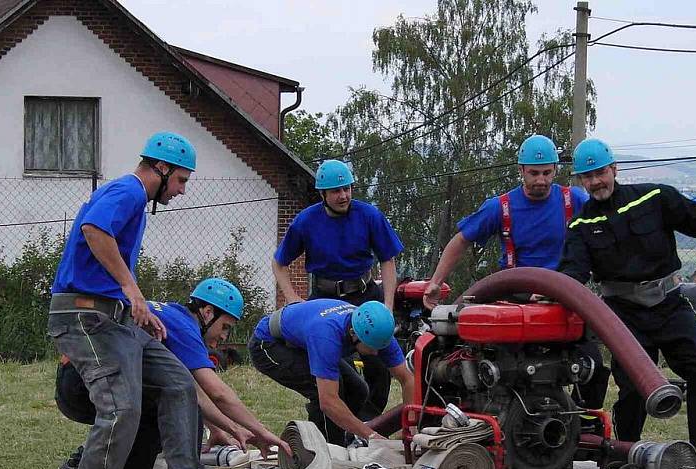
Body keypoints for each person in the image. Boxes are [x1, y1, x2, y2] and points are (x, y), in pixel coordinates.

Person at [47, 133, 243, 469]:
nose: (182, 190)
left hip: (115, 318)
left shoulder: (132, 198)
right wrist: (132, 292)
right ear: (162, 169)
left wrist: (136, 309)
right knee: (122, 407)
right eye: (181, 180)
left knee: (177, 384)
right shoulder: (130, 190)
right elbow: (94, 231)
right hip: (83, 316)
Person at [559, 137, 696, 469]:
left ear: (614, 169)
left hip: (670, 304)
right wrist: (553, 290)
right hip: (622, 313)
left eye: (600, 172)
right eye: (587, 176)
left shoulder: (653, 197)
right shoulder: (580, 227)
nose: (595, 182)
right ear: (579, 181)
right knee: (632, 386)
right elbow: (572, 272)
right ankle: (629, 458)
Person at [55, 278, 291, 469]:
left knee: (172, 402)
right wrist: (259, 432)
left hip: (77, 378)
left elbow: (189, 391)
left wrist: (219, 428)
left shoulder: (172, 315)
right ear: (207, 312)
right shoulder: (184, 328)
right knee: (169, 410)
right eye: (225, 327)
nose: (224, 337)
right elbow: (217, 393)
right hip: (84, 383)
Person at [423, 134, 610, 409]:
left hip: (564, 299)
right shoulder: (500, 207)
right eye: (534, 173)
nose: (541, 180)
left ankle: (586, 426)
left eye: (547, 172)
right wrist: (436, 282)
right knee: (503, 369)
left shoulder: (575, 200)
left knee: (592, 367)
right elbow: (461, 240)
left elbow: (606, 228)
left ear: (556, 170)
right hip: (515, 300)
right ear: (521, 170)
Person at [271, 159, 404, 420]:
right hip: (324, 300)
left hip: (366, 297)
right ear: (323, 194)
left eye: (347, 188)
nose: (343, 196)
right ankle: (327, 422)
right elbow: (279, 263)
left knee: (378, 367)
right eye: (335, 191)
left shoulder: (369, 215)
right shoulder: (306, 221)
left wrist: (387, 306)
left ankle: (370, 425)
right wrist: (291, 298)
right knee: (328, 364)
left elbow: (387, 260)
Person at [249, 299, 414, 445]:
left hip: (303, 341)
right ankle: (327, 450)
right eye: (372, 347)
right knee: (323, 391)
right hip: (268, 344)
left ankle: (348, 439)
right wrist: (371, 435)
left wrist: (410, 428)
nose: (377, 353)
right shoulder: (327, 335)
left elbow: (408, 380)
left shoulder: (379, 332)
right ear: (353, 333)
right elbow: (328, 402)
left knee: (358, 390)